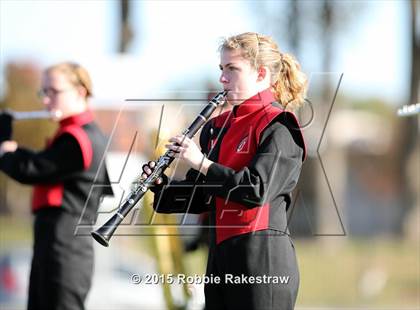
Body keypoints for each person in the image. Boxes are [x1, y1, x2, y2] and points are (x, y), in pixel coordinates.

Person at [142, 32, 307, 310]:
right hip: (220, 258)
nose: (222, 78)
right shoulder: (216, 127)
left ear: (261, 74)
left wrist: (202, 163)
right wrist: (160, 184)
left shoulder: (280, 126)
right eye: (222, 69)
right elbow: (201, 196)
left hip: (262, 263)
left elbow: (256, 190)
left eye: (232, 69)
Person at [0, 62, 113, 310]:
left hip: (65, 251)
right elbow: (44, 161)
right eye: (44, 92)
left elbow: (32, 169)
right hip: (54, 247)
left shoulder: (80, 138)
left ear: (80, 92)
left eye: (54, 92)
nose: (46, 100)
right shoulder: (71, 135)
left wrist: (5, 149)